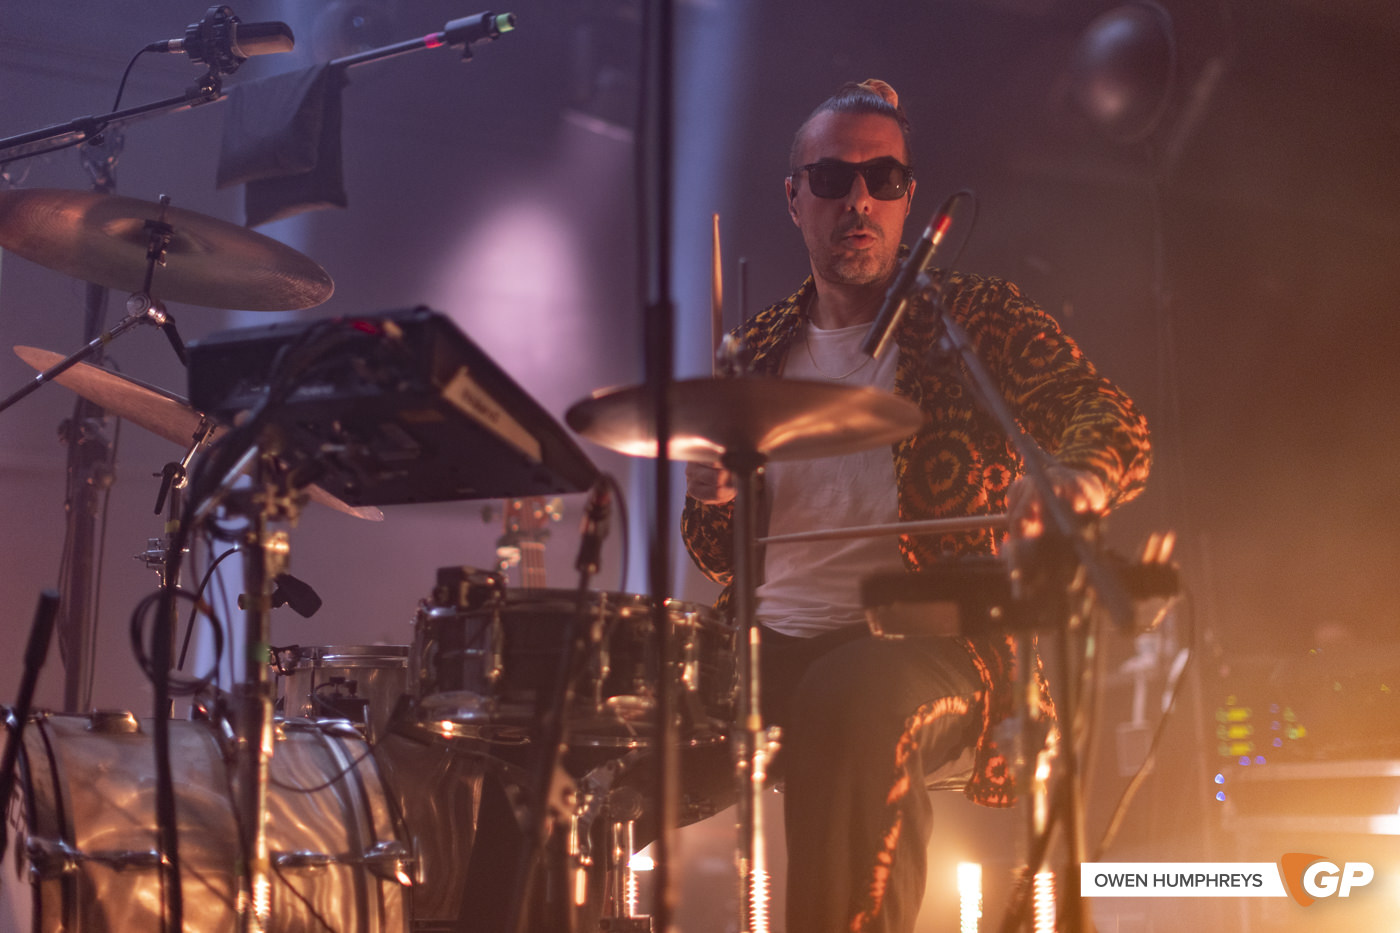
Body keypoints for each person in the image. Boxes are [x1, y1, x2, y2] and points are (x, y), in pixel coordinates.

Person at [681, 79, 1151, 933]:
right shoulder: (757, 347)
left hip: (940, 648)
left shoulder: (976, 316)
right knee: (580, 721)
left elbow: (1104, 413)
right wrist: (709, 492)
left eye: (883, 179)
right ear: (794, 198)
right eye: (832, 179)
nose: (858, 199)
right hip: (761, 648)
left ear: (908, 199)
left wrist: (1076, 482)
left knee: (853, 696)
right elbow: (721, 552)